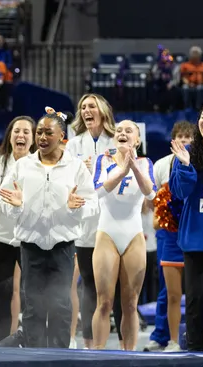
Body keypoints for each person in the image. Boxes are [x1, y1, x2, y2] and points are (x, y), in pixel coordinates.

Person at [0, 107, 99, 348]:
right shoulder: (22, 166)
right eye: (39, 132)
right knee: (32, 304)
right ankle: (33, 357)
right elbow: (4, 201)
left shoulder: (75, 167)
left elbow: (93, 204)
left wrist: (77, 208)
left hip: (62, 246)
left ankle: (60, 356)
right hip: (30, 245)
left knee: (61, 304)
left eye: (48, 133)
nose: (42, 137)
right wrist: (17, 206)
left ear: (62, 137)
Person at [90, 120, 156, 351]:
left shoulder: (146, 163)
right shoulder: (103, 161)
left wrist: (134, 167)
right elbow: (97, 191)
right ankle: (97, 353)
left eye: (129, 131)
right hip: (107, 233)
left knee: (130, 303)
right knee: (104, 302)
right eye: (119, 130)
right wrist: (122, 170)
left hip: (133, 234)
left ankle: (130, 354)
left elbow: (150, 192)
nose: (122, 133)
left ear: (137, 140)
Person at [65, 93, 116, 349]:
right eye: (83, 107)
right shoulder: (73, 145)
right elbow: (65, 183)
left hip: (112, 222)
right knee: (88, 282)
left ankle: (106, 341)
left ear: (102, 111)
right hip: (85, 225)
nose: (86, 110)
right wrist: (79, 170)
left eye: (91, 106)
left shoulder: (116, 141)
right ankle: (88, 343)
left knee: (108, 286)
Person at [0, 116, 36, 343]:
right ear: (9, 135)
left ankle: (32, 340)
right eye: (17, 131)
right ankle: (3, 342)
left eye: (26, 132)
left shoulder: (39, 165)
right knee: (2, 290)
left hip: (30, 236)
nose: (21, 136)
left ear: (33, 139)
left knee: (32, 293)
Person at [171, 104, 203, 351]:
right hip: (194, 232)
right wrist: (187, 165)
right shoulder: (186, 152)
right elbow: (180, 192)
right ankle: (195, 347)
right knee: (195, 297)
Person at [146, 121, 194, 352]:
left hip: (195, 231)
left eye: (188, 137)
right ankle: (162, 336)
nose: (184, 141)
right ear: (173, 140)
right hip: (169, 233)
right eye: (180, 137)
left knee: (201, 289)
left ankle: (202, 335)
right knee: (167, 289)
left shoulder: (202, 162)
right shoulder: (161, 165)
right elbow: (154, 199)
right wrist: (159, 219)